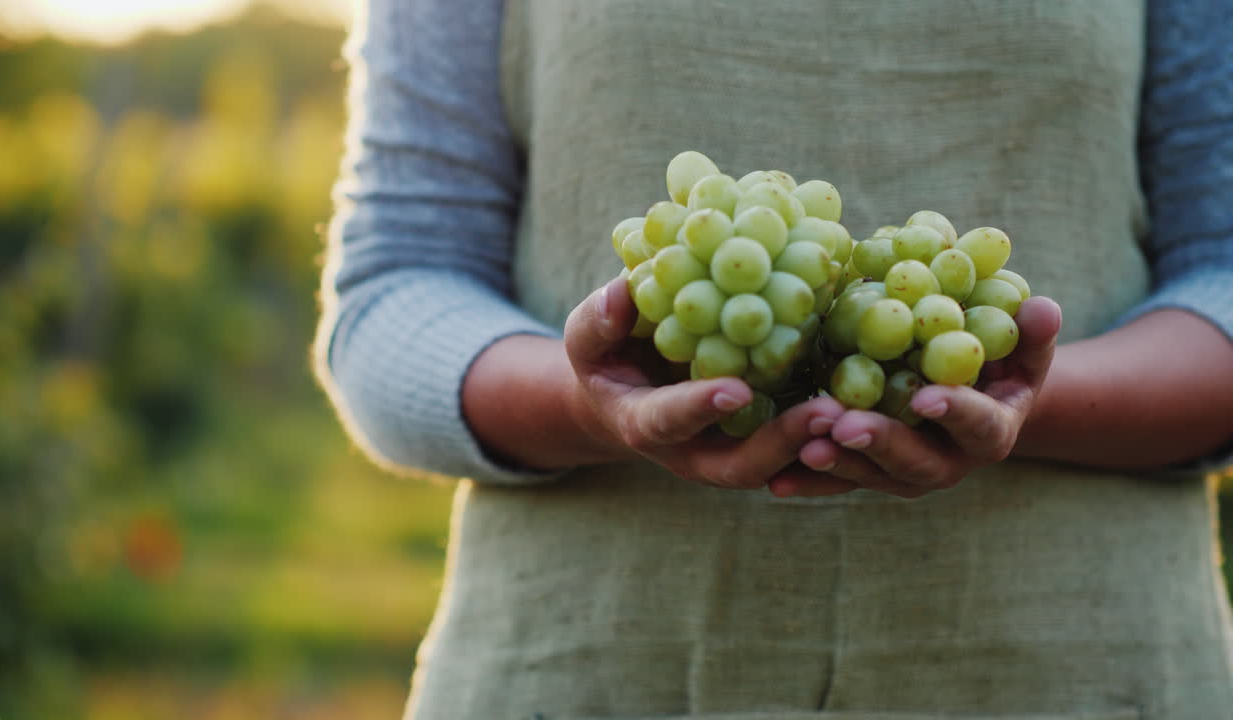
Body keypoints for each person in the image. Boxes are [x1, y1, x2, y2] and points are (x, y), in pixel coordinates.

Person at [316, 0, 1233, 717]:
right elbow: (394, 291)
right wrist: (580, 403)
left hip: (1086, 671)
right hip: (586, 671)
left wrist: (1033, 397)